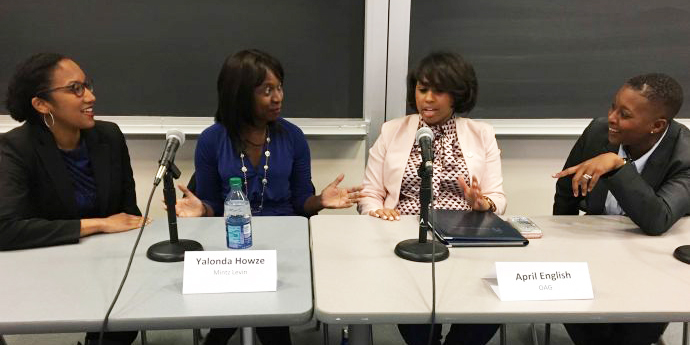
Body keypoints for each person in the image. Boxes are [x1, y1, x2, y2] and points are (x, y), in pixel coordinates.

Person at [174, 49, 363, 345]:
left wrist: (321, 201)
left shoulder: (292, 137)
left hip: (283, 239)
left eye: (279, 87)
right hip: (231, 240)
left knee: (263, 308)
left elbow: (302, 200)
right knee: (247, 301)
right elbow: (210, 202)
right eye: (267, 91)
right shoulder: (213, 139)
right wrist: (201, 210)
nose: (278, 98)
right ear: (239, 94)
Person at [358, 52, 504, 345]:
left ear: (457, 96)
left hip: (464, 239)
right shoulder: (391, 131)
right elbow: (370, 194)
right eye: (422, 89)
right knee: (416, 312)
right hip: (407, 239)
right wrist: (377, 212)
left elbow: (497, 197)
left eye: (438, 91)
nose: (428, 99)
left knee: (492, 304)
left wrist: (482, 204)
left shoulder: (482, 134)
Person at [0, 53, 147, 344]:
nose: (90, 96)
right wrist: (98, 224)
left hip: (105, 266)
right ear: (42, 104)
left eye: (87, 85)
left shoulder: (109, 136)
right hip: (44, 267)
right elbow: (5, 230)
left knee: (128, 312)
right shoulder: (16, 148)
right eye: (75, 89)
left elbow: (128, 214)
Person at [552, 73, 689, 344]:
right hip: (594, 252)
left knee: (632, 334)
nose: (612, 118)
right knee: (577, 314)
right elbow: (566, 193)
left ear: (657, 125)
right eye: (612, 106)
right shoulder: (597, 132)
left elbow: (657, 219)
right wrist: (561, 253)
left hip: (653, 265)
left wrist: (618, 166)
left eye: (624, 114)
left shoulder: (685, 154)